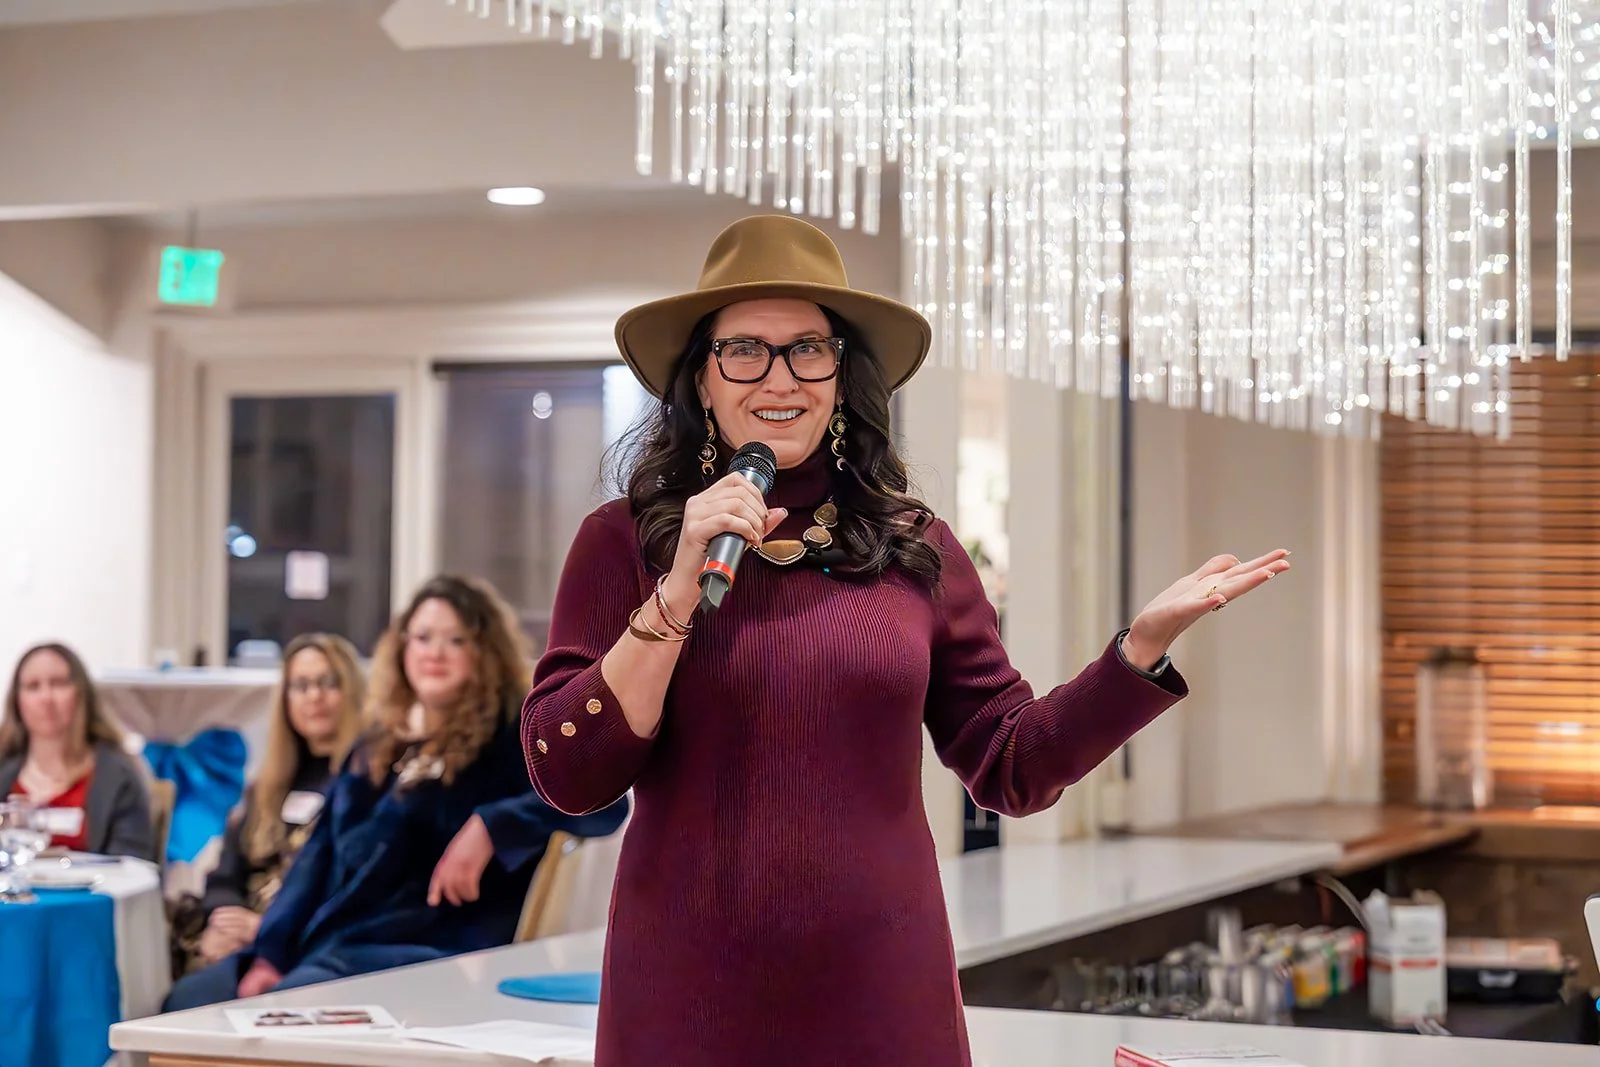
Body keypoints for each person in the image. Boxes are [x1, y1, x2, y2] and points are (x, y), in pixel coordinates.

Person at [523, 214, 1291, 1066]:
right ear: (701, 378)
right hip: (686, 996)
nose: (779, 377)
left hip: (882, 992)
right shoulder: (623, 541)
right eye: (743, 350)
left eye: (808, 349)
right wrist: (673, 596)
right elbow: (570, 773)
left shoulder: (913, 545)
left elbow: (1012, 763)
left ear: (841, 374)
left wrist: (1137, 652)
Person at [163, 576, 629, 1010]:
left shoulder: (514, 736)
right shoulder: (377, 744)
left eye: (456, 640)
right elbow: (317, 857)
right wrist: (271, 952)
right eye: (422, 637)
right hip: (331, 942)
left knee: (274, 1009)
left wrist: (492, 825)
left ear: (484, 650)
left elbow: (603, 805)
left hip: (427, 950)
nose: (435, 653)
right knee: (188, 998)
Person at [171, 633, 366, 975]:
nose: (314, 697)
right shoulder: (266, 787)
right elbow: (225, 876)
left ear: (352, 692)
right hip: (244, 938)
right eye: (300, 686)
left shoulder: (367, 787)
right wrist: (225, 922)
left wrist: (269, 930)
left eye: (328, 683)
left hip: (314, 948)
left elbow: (354, 895)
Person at [0, 643, 153, 859]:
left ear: (81, 694)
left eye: (58, 683)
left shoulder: (119, 777)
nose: (46, 698)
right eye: (33, 686)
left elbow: (132, 863)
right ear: (17, 701)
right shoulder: (4, 770)